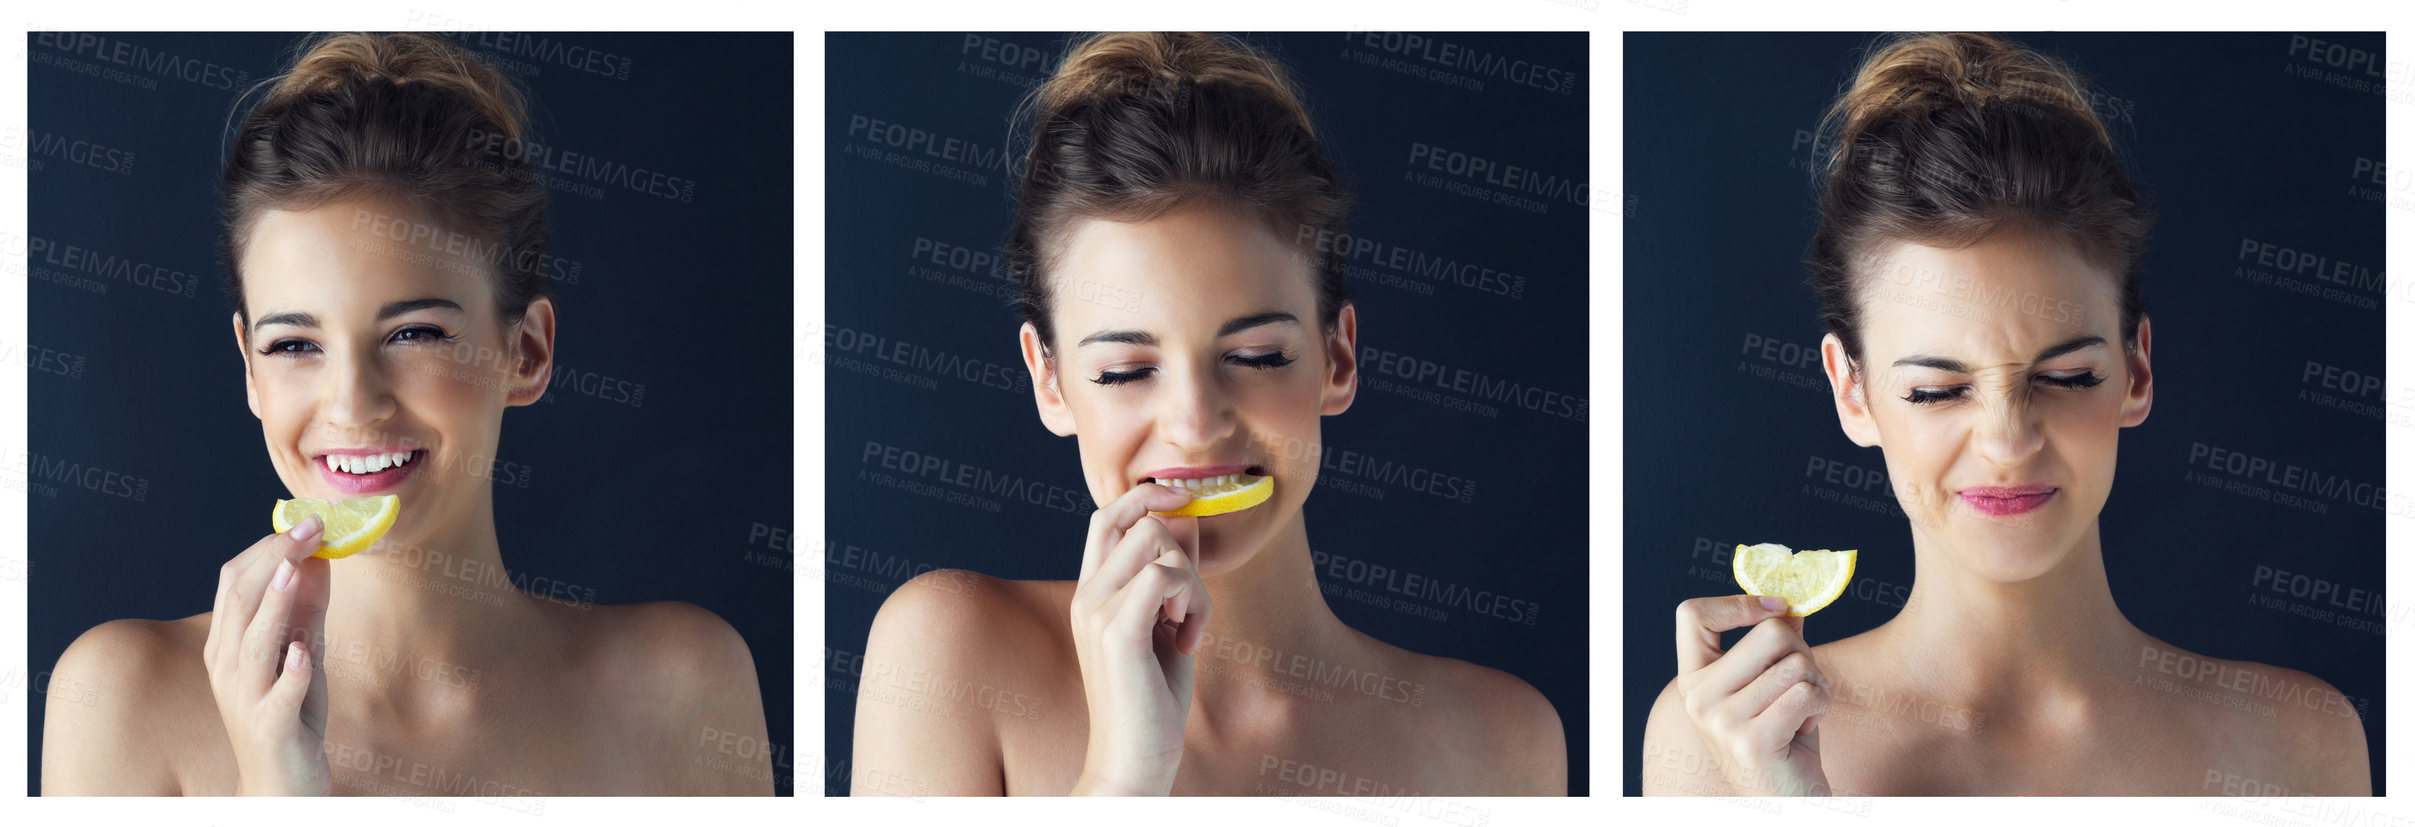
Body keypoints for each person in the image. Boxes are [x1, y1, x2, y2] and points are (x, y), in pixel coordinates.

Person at [42, 32, 771, 796]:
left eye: (414, 333)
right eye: (294, 343)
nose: (353, 402)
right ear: (249, 368)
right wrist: (273, 786)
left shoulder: (685, 685)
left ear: (524, 352)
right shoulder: (121, 701)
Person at [1642, 32, 2368, 796]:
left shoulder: (2297, 743)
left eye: (2064, 375)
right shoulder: (1723, 742)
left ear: (2136, 371)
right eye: (1935, 390)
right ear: (1850, 391)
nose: (2006, 439)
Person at [850, 31, 1565, 796]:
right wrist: (1123, 774)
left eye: (1256, 357)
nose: (1194, 423)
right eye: (1126, 371)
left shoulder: (1500, 740)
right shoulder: (947, 655)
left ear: (1337, 359)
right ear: (1050, 381)